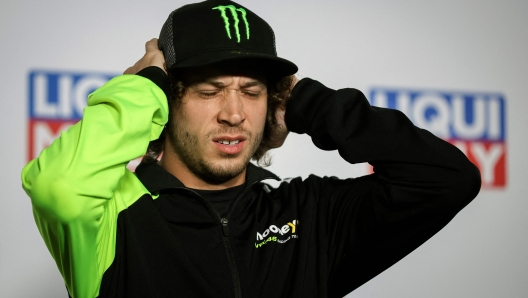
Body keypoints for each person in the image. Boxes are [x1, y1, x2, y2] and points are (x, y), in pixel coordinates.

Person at [21, 1, 481, 297]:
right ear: (167, 101)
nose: (234, 113)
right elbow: (59, 186)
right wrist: (142, 89)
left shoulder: (308, 213)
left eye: (253, 91)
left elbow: (447, 180)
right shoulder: (111, 213)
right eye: (209, 91)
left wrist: (306, 103)